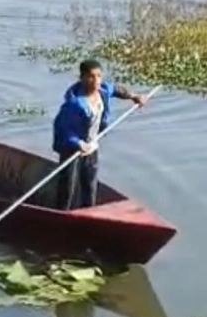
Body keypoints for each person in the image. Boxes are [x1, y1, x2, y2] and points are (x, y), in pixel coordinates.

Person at [52, 59, 147, 211]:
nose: (96, 80)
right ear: (82, 78)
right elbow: (62, 129)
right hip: (72, 149)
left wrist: (134, 96)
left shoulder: (102, 91)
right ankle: (61, 214)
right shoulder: (74, 104)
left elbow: (116, 90)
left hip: (91, 146)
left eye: (98, 76)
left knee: (90, 186)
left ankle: (88, 213)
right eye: (91, 76)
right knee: (68, 188)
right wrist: (78, 143)